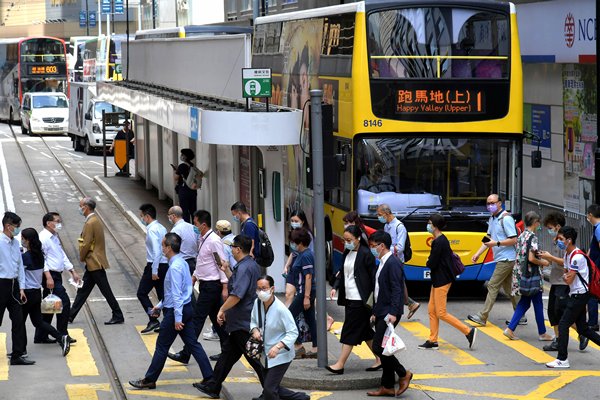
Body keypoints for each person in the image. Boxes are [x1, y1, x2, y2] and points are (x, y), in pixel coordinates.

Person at [129, 233, 213, 389]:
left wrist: (177, 318)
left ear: (168, 248)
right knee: (193, 344)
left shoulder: (174, 267)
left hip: (176, 311)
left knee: (162, 346)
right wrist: (160, 305)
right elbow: (178, 291)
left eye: (163, 245)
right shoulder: (182, 262)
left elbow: (176, 295)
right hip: (185, 308)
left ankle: (149, 379)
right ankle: (210, 377)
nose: (161, 248)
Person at [193, 234, 263, 399]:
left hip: (242, 321)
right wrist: (226, 270)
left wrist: (222, 309)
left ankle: (273, 391)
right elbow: (238, 282)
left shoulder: (244, 268)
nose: (230, 250)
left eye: (232, 247)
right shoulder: (248, 265)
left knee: (254, 359)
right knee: (227, 354)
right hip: (240, 320)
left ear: (238, 249)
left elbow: (237, 294)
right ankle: (213, 386)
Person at [169, 210, 228, 364]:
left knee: (197, 319)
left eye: (195, 224)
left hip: (212, 286)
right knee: (216, 320)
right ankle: (227, 351)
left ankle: (186, 353)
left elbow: (221, 264)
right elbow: (202, 261)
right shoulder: (203, 239)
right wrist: (194, 276)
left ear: (203, 224)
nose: (194, 226)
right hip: (206, 284)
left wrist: (225, 286)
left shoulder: (213, 241)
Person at [418, 214, 477, 350]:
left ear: (435, 226)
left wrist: (428, 261)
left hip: (442, 280)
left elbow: (432, 262)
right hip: (438, 279)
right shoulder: (440, 239)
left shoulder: (439, 242)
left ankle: (468, 331)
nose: (428, 225)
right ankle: (433, 340)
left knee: (441, 312)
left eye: (429, 223)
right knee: (432, 310)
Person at [328, 225, 381, 373]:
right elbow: (342, 272)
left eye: (349, 240)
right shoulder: (347, 252)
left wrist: (374, 301)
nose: (346, 243)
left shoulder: (366, 254)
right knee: (365, 332)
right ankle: (381, 359)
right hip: (349, 297)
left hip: (360, 300)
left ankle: (340, 364)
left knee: (349, 331)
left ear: (358, 239)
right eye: (344, 240)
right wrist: (335, 286)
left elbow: (373, 279)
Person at [546, 226, 600, 368]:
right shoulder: (567, 254)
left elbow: (568, 279)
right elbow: (567, 274)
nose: (558, 241)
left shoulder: (577, 257)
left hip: (579, 295)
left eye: (561, 239)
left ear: (569, 240)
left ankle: (562, 359)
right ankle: (562, 359)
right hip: (576, 293)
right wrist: (567, 276)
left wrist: (567, 276)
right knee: (583, 329)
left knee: (563, 324)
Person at [250, 275, 310, 400]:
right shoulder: (258, 303)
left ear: (272, 289)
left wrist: (278, 347)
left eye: (264, 288)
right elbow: (253, 321)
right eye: (258, 289)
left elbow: (293, 332)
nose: (261, 292)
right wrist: (255, 330)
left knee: (269, 390)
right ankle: (301, 398)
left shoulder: (281, 309)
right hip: (264, 353)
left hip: (280, 355)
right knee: (271, 387)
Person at [367, 230, 412, 397]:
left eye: (373, 246)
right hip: (381, 310)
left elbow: (396, 289)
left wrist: (393, 312)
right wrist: (375, 311)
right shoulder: (382, 262)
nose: (372, 249)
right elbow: (379, 289)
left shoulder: (393, 263)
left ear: (382, 245)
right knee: (384, 348)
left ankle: (403, 373)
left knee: (378, 347)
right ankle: (387, 386)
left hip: (390, 312)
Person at [468, 194, 522, 327]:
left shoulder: (506, 219)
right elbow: (488, 238)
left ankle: (482, 316)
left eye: (492, 203)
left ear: (499, 203)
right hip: (502, 258)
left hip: (507, 258)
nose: (490, 206)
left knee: (492, 285)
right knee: (509, 289)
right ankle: (520, 315)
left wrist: (496, 243)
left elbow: (513, 239)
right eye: (488, 203)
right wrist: (478, 253)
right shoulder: (492, 218)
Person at [70, 198, 124, 325]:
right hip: (94, 263)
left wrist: (82, 257)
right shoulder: (95, 220)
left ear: (86, 207)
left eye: (80, 206)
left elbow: (86, 244)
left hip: (94, 262)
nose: (79, 208)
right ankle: (70, 315)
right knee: (83, 291)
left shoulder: (90, 223)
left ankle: (118, 314)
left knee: (105, 291)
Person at [503, 211, 553, 341]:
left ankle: (510, 329)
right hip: (532, 276)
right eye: (538, 223)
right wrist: (544, 262)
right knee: (537, 303)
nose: (539, 225)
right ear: (535, 222)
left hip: (521, 274)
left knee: (525, 302)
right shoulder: (533, 237)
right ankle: (542, 333)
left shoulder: (521, 235)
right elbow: (531, 258)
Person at [20, 228, 70, 357]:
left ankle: (21, 350)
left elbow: (19, 275)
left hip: (27, 294)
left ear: (28, 241)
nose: (22, 241)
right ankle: (61, 338)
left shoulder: (25, 257)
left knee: (20, 322)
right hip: (37, 293)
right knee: (38, 322)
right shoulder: (40, 256)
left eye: (23, 239)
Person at [36, 212, 79, 345]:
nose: (59, 224)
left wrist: (72, 270)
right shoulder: (43, 238)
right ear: (49, 223)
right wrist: (48, 277)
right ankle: (63, 335)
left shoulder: (54, 236)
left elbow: (61, 254)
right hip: (50, 276)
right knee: (64, 302)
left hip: (56, 275)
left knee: (50, 305)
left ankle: (41, 336)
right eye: (57, 221)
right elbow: (41, 259)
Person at [539, 212, 575, 351]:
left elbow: (566, 262)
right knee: (553, 313)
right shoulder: (556, 241)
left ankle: (581, 332)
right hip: (555, 280)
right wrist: (544, 259)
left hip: (563, 282)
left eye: (550, 228)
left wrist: (550, 257)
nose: (549, 230)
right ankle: (558, 339)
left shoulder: (563, 243)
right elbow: (554, 260)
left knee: (560, 313)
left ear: (558, 226)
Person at [376, 204, 420, 319]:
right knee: (398, 283)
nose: (378, 217)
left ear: (386, 213)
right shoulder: (386, 226)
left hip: (397, 260)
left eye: (379, 214)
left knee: (397, 284)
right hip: (387, 258)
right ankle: (411, 304)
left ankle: (408, 304)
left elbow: (400, 247)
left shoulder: (399, 227)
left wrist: (385, 249)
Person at [0, 212, 33, 365]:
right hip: (1, 285)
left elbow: (19, 266)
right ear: (8, 226)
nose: (18, 229)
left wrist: (22, 287)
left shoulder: (15, 243)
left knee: (18, 320)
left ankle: (17, 355)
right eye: (17, 226)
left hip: (14, 287)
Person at [286, 228, 318, 359]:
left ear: (300, 242)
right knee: (310, 318)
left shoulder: (306, 256)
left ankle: (298, 345)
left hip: (305, 291)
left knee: (288, 316)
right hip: (305, 291)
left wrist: (306, 297)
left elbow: (308, 277)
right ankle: (316, 347)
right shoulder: (302, 254)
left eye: (294, 242)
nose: (292, 244)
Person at [137, 204, 168, 334]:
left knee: (141, 293)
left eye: (142, 216)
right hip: (164, 265)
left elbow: (156, 252)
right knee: (163, 295)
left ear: (147, 216)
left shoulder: (152, 230)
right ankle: (167, 323)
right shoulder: (161, 227)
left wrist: (154, 270)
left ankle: (153, 318)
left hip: (155, 266)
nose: (141, 219)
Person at [168, 206, 198, 276]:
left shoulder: (175, 230)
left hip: (180, 264)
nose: (168, 217)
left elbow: (171, 249)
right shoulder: (193, 227)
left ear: (174, 216)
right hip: (193, 263)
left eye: (169, 215)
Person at [585, 204, 600, 331]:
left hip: (597, 267)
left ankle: (592, 322)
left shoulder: (599, 228)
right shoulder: (596, 228)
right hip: (595, 265)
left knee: (592, 294)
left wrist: (595, 267)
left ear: (590, 215)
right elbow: (593, 247)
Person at [173, 149, 198, 223]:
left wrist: (176, 171)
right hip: (193, 190)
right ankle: (195, 226)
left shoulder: (182, 166)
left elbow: (176, 178)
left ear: (185, 156)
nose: (181, 156)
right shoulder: (193, 166)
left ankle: (187, 226)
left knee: (184, 211)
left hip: (184, 191)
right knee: (193, 210)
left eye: (182, 154)